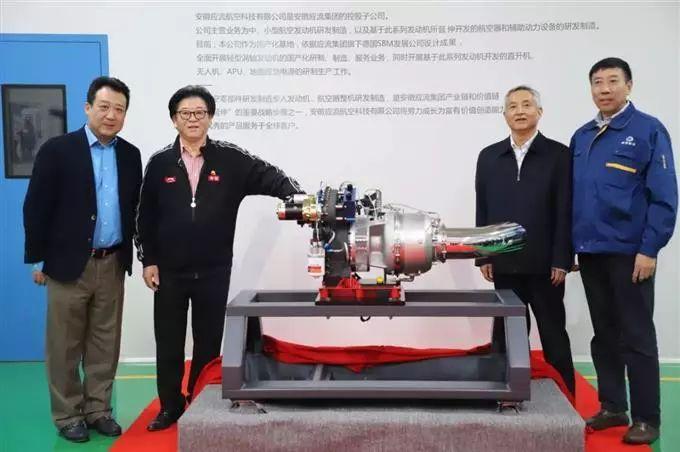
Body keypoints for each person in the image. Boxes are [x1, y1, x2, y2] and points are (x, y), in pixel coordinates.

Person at [135, 85, 303, 431]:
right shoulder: (159, 163)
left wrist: (296, 197)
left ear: (210, 117)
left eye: (199, 113)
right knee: (168, 342)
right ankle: (170, 407)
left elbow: (270, 176)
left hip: (213, 271)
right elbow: (144, 217)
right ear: (174, 120)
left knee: (208, 342)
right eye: (185, 113)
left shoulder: (230, 159)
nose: (193, 119)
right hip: (168, 272)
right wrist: (148, 260)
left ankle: (199, 402)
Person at [23, 76, 142, 443]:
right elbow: (36, 207)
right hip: (66, 264)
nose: (111, 115)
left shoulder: (130, 155)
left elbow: (135, 210)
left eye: (119, 109)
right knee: (64, 345)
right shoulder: (57, 150)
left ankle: (98, 410)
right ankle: (67, 415)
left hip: (112, 262)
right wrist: (38, 260)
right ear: (87, 107)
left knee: (105, 343)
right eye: (104, 107)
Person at [571, 57, 677, 444]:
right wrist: (571, 247)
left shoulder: (648, 130)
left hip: (631, 254)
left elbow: (664, 197)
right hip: (591, 253)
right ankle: (613, 406)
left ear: (628, 86)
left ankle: (647, 417)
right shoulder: (582, 136)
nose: (604, 89)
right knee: (604, 335)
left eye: (613, 81)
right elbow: (574, 196)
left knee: (637, 336)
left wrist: (650, 248)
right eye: (597, 82)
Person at [475, 85, 575, 396]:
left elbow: (566, 210)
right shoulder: (489, 157)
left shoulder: (559, 155)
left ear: (539, 112)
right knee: (506, 336)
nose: (520, 111)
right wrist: (484, 254)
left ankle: (567, 399)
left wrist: (562, 259)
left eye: (527, 105)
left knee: (553, 335)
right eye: (513, 106)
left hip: (546, 266)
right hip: (504, 263)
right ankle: (503, 396)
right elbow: (483, 209)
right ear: (504, 115)